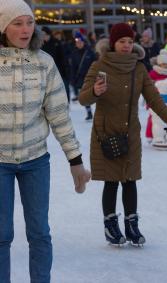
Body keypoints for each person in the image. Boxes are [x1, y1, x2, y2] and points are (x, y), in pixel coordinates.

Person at [0, 1, 91, 282]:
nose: (26, 29)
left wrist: (75, 161)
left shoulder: (43, 63)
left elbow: (59, 116)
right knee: (1, 235)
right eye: (18, 23)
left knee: (39, 232)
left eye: (30, 22)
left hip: (35, 160)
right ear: (3, 26)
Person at [78, 23, 167, 247]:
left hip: (130, 133)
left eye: (129, 41)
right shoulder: (100, 65)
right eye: (121, 41)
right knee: (112, 182)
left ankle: (132, 224)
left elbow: (154, 98)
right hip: (106, 133)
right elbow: (83, 98)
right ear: (113, 43)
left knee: (130, 180)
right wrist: (94, 91)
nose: (126, 45)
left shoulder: (138, 68)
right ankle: (110, 224)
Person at [145, 49, 167, 143]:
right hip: (155, 99)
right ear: (159, 64)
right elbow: (148, 86)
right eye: (163, 64)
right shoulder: (153, 73)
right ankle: (150, 135)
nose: (165, 66)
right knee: (153, 118)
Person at [70, 32, 97, 120]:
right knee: (85, 96)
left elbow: (96, 64)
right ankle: (89, 112)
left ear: (83, 42)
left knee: (95, 94)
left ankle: (100, 111)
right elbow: (73, 68)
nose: (78, 44)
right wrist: (73, 79)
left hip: (91, 77)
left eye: (80, 42)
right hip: (81, 79)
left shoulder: (89, 52)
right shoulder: (74, 53)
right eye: (77, 42)